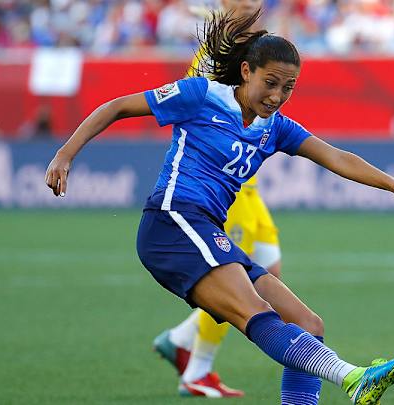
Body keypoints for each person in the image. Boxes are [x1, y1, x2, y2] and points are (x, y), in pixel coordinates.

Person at [45, 10, 394, 405]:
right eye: (270, 83)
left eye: (288, 87)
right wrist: (65, 154)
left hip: (206, 229)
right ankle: (353, 377)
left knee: (307, 324)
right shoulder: (200, 95)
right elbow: (117, 107)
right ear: (247, 71)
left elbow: (336, 157)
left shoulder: (276, 127)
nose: (277, 96)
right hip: (172, 223)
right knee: (256, 312)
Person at [150, 1, 283, 398]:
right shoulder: (215, 55)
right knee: (236, 282)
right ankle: (197, 369)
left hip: (248, 187)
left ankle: (180, 338)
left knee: (270, 273)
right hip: (222, 188)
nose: (254, 7)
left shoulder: (249, 46)